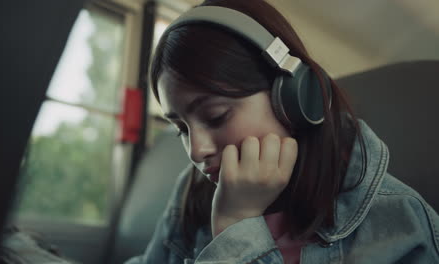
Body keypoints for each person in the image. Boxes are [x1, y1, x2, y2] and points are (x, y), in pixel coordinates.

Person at [125, 0, 439, 263]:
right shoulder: (192, 192)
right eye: (181, 128)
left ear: (293, 97)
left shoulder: (400, 220)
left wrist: (237, 225)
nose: (196, 151)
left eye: (215, 116)